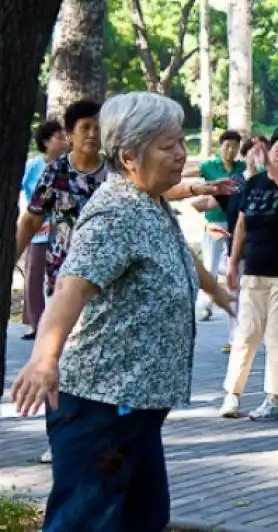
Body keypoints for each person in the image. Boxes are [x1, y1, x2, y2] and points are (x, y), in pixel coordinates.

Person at [9, 92, 234, 532]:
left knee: (145, 517)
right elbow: (69, 291)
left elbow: (179, 258)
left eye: (181, 143)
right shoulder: (116, 214)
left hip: (136, 406)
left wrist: (219, 293)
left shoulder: (150, 202)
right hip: (100, 407)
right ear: (129, 155)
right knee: (88, 523)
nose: (181, 155)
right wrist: (42, 359)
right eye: (168, 146)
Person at [219, 126, 278, 421]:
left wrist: (270, 167)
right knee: (245, 335)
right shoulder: (253, 183)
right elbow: (243, 224)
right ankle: (232, 395)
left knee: (277, 337)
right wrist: (234, 263)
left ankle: (275, 399)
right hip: (255, 270)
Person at [192, 138, 268, 354]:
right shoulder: (235, 183)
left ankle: (254, 334)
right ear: (245, 156)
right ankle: (237, 337)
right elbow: (208, 204)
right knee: (238, 293)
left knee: (257, 296)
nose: (259, 158)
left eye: (263, 153)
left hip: (266, 249)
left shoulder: (274, 181)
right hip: (239, 249)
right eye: (254, 153)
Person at [184, 130, 247, 320]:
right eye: (226, 146)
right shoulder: (210, 166)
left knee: (234, 263)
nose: (230, 150)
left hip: (236, 222)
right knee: (209, 265)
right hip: (215, 221)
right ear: (220, 147)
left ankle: (235, 302)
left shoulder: (242, 167)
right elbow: (186, 175)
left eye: (234, 147)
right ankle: (205, 305)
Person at [19, 120, 69, 340]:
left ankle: (61, 322)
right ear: (46, 142)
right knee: (33, 274)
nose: (64, 140)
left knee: (61, 276)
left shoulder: (69, 166)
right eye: (58, 137)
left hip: (63, 229)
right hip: (38, 229)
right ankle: (35, 323)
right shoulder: (34, 166)